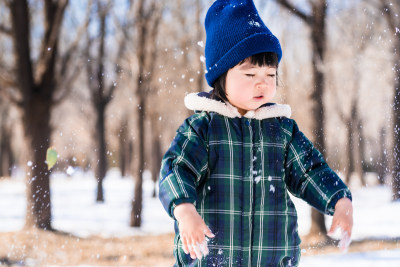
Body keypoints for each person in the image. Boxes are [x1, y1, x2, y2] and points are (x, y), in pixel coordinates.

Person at [158, 0, 353, 266]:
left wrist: (338, 199)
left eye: (270, 73)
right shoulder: (203, 129)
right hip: (212, 260)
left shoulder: (281, 130)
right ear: (221, 76)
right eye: (249, 74)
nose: (262, 82)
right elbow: (175, 170)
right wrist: (184, 210)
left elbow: (309, 171)